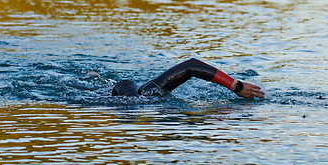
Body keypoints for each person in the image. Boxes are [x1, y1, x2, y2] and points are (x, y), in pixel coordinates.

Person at [111, 58, 265, 98]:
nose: (131, 102)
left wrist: (236, 85)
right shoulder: (151, 93)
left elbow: (191, 65)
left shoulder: (149, 92)